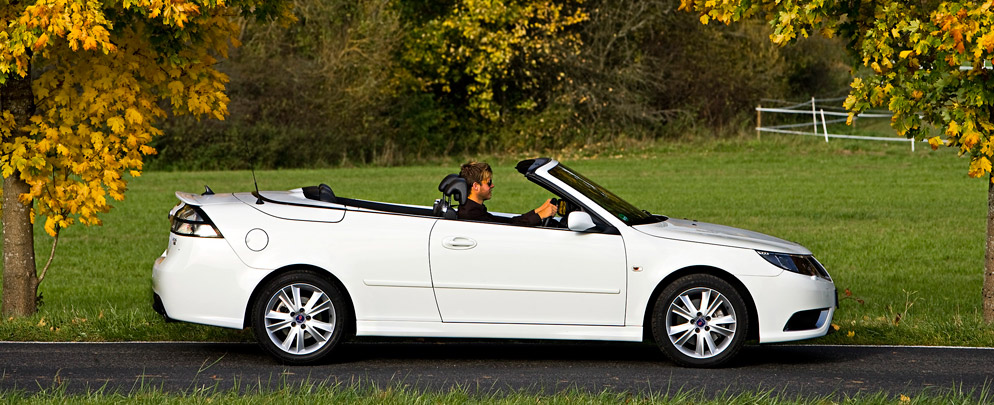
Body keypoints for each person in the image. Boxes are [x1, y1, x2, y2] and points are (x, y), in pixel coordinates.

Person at [457, 162, 557, 226]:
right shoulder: (472, 215)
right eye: (489, 182)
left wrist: (539, 210)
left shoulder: (472, 210)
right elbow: (509, 227)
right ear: (476, 186)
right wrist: (540, 216)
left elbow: (509, 222)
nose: (492, 186)